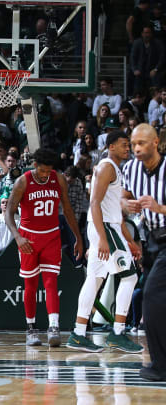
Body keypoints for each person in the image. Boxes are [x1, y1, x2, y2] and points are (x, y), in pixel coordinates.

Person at [67, 131, 143, 354]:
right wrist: (101, 238)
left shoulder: (114, 169)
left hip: (108, 228)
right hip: (104, 229)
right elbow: (95, 205)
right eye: (123, 144)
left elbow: (114, 213)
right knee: (130, 277)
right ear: (110, 146)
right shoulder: (106, 166)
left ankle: (78, 334)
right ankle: (118, 333)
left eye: (128, 145)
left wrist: (129, 241)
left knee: (94, 278)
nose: (127, 148)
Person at [5, 148, 83, 347]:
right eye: (43, 171)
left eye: (49, 171)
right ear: (35, 165)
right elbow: (8, 213)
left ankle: (53, 327)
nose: (46, 174)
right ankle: (31, 328)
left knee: (51, 283)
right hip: (28, 238)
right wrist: (18, 237)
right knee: (30, 285)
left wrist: (78, 237)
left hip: (51, 236)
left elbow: (67, 209)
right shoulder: (23, 181)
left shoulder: (59, 179)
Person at [121, 124, 166, 381]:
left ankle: (161, 365)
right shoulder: (131, 168)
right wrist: (126, 204)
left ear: (156, 143)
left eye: (141, 143)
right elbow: (123, 198)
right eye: (133, 143)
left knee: (151, 298)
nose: (136, 148)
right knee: (157, 303)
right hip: (151, 240)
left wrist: (160, 208)